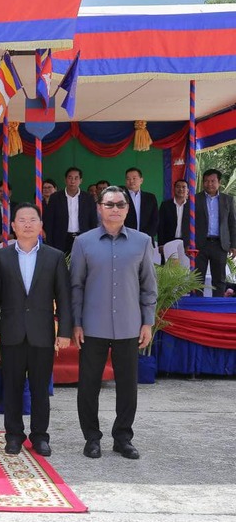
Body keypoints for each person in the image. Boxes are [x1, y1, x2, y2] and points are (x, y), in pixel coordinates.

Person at [71, 186, 157, 460]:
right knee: (88, 385)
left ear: (127, 209)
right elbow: (76, 286)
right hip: (92, 326)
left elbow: (148, 286)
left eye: (120, 204)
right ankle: (91, 438)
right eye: (109, 204)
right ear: (99, 208)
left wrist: (147, 322)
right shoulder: (83, 242)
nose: (115, 209)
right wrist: (76, 322)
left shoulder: (142, 241)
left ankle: (123, 438)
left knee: (128, 386)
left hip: (129, 325)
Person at [0, 203, 71, 457]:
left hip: (42, 333)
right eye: (21, 220)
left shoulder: (54, 257)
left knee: (40, 389)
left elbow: (64, 297)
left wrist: (64, 331)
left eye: (32, 220)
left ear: (40, 225)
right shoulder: (1, 256)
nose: (27, 224)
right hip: (11, 332)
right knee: (12, 388)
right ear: (13, 226)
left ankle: (40, 436)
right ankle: (13, 436)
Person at [195, 168, 236, 296]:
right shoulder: (195, 199)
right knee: (197, 279)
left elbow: (232, 223)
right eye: (206, 181)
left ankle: (217, 304)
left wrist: (233, 245)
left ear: (219, 182)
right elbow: (187, 222)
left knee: (219, 280)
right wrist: (187, 243)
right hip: (199, 244)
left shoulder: (227, 200)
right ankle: (197, 305)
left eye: (213, 181)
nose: (209, 184)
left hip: (220, 244)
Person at [43, 166, 98, 252]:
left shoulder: (88, 198)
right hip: (61, 239)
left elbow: (93, 221)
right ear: (65, 180)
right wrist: (49, 241)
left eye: (76, 178)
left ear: (81, 180)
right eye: (70, 178)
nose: (73, 181)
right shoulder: (55, 197)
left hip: (82, 237)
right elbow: (49, 221)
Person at [124, 167, 159, 241]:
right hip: (125, 238)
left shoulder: (150, 197)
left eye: (134, 178)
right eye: (128, 179)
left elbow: (155, 219)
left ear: (141, 180)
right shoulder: (121, 197)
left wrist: (145, 236)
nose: (131, 181)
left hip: (146, 238)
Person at [158, 179, 190, 248]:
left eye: (183, 187)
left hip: (186, 244)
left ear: (187, 190)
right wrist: (161, 244)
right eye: (178, 187)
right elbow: (160, 226)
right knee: (170, 257)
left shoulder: (192, 207)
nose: (181, 189)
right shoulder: (165, 205)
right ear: (174, 189)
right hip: (168, 242)